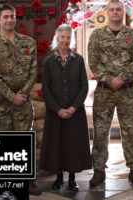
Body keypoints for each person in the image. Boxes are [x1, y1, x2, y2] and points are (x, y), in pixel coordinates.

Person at [0, 4, 40, 195]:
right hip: (1, 104)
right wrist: (10, 96)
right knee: (2, 144)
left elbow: (33, 72)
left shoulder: (28, 43)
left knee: (24, 143)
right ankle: (3, 182)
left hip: (23, 101)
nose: (9, 20)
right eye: (5, 17)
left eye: (12, 16)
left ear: (16, 18)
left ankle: (28, 181)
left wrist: (21, 94)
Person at [87, 0, 133, 187]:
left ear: (123, 12)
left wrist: (121, 78)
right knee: (100, 132)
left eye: (118, 9)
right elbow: (93, 61)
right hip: (104, 91)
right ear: (107, 12)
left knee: (130, 131)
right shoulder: (97, 34)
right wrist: (108, 79)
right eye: (111, 9)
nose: (115, 12)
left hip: (126, 90)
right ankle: (98, 171)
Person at [39, 24, 91, 191]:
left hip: (75, 112)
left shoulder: (79, 60)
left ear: (71, 40)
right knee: (57, 144)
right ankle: (59, 177)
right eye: (62, 37)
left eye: (68, 37)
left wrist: (74, 108)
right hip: (56, 112)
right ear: (57, 39)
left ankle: (72, 179)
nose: (65, 40)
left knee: (73, 145)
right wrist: (58, 109)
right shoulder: (48, 62)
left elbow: (84, 86)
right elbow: (45, 89)